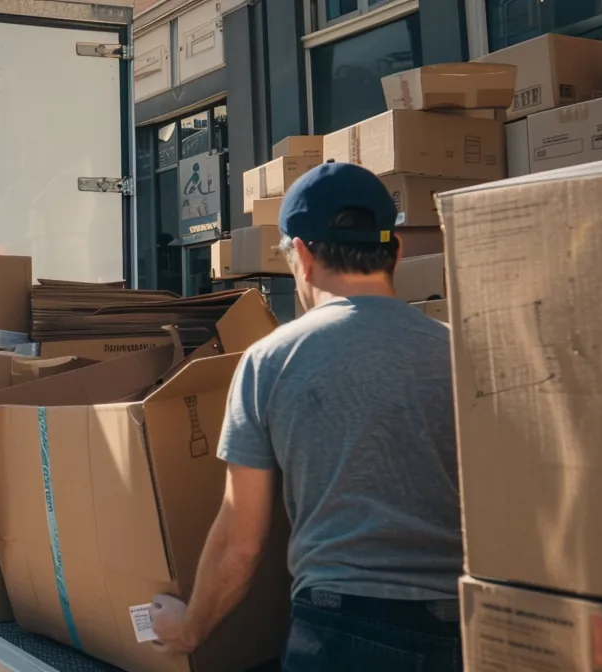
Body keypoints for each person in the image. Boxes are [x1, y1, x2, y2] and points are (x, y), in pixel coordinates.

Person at [148, 162, 463, 670]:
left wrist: (189, 629)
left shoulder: (271, 360)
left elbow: (241, 543)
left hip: (338, 632)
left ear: (302, 254)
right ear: (397, 251)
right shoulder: (459, 350)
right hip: (462, 629)